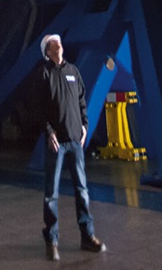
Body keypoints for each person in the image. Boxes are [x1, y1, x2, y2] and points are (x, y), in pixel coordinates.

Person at [33, 32, 105, 261]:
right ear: (48, 50)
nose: (59, 43)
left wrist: (85, 125)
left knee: (82, 190)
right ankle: (52, 240)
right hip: (56, 143)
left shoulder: (73, 71)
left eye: (60, 40)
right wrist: (49, 131)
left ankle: (87, 236)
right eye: (54, 42)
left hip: (75, 140)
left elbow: (81, 100)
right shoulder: (43, 74)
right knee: (51, 194)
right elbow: (39, 108)